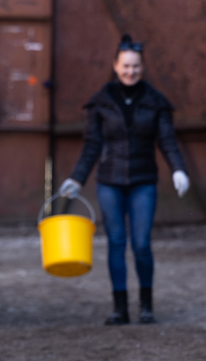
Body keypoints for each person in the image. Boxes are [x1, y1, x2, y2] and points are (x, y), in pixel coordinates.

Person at [58, 34, 189, 326]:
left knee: (141, 243)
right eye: (126, 66)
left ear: (142, 68)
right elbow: (91, 145)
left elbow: (167, 141)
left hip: (144, 181)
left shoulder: (155, 102)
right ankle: (119, 308)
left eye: (136, 66)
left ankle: (146, 305)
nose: (131, 71)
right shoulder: (101, 102)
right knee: (117, 242)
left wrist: (178, 169)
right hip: (110, 182)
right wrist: (77, 179)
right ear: (115, 66)